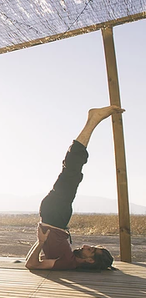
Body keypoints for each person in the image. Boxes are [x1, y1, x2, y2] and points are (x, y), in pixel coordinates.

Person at [26, 105, 124, 270]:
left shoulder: (68, 262)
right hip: (55, 217)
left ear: (91, 261)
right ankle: (92, 121)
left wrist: (41, 242)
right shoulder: (69, 259)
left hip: (55, 216)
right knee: (72, 173)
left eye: (90, 250)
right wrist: (41, 242)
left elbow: (31, 264)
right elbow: (33, 262)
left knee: (71, 172)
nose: (86, 246)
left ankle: (93, 121)